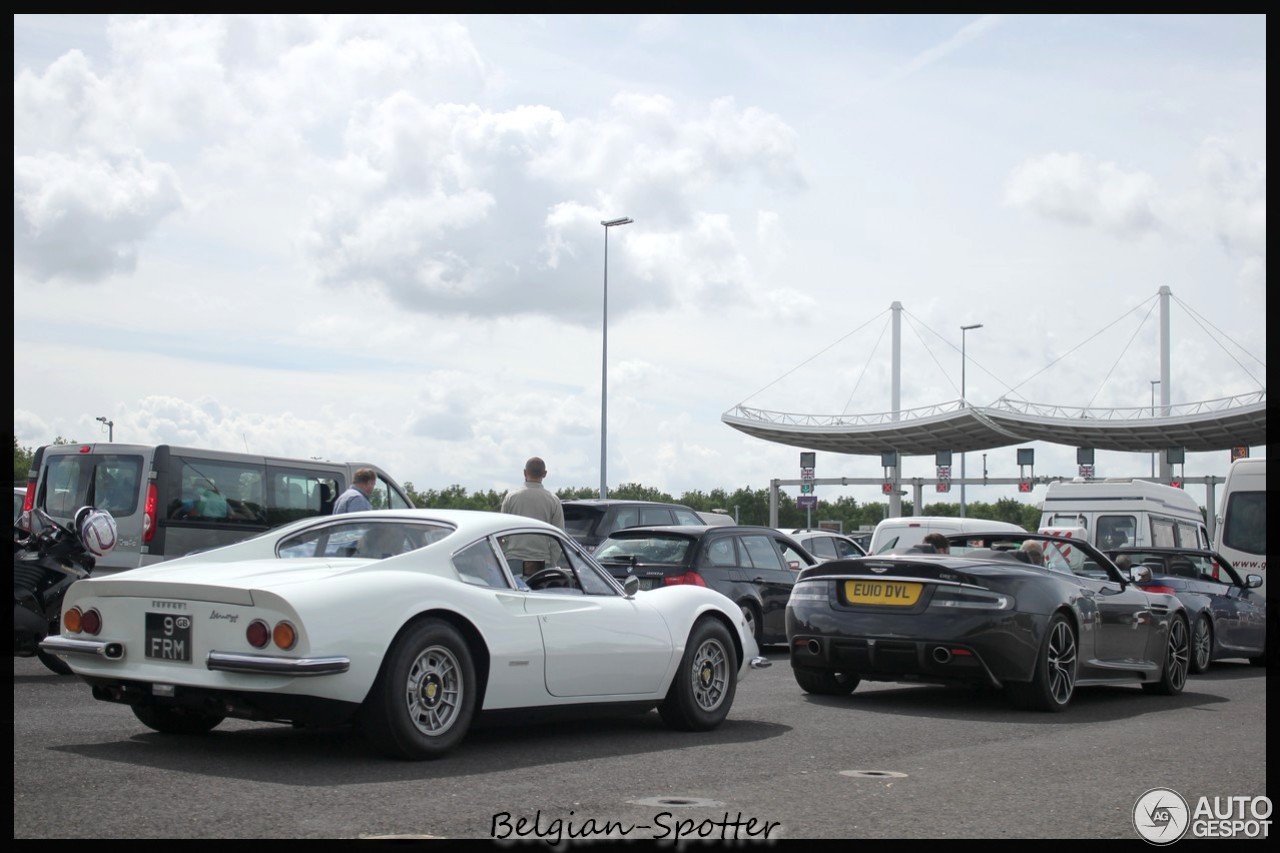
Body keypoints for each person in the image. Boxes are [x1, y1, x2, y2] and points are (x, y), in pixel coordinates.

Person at [500, 457, 566, 576]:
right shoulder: (553, 500)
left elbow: (501, 533)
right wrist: (552, 563)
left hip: (513, 558)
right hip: (542, 561)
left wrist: (503, 555)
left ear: (525, 472)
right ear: (545, 474)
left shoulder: (510, 498)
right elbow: (558, 538)